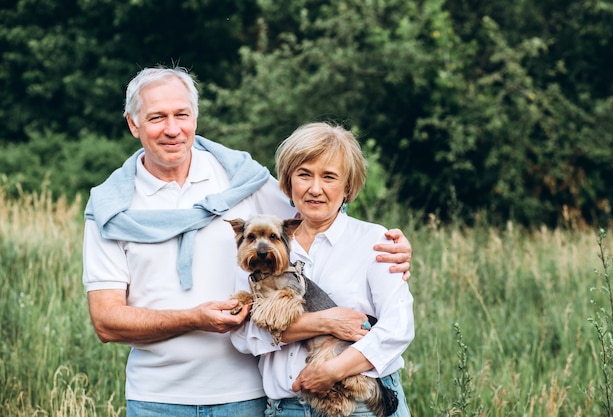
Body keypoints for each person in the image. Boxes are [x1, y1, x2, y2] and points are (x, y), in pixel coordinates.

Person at [82, 66, 413, 417]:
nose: (172, 128)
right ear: (133, 124)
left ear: (195, 116)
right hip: (156, 395)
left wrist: (390, 245)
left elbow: (314, 206)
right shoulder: (111, 209)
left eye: (182, 114)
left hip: (246, 396)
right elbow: (106, 321)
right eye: (156, 117)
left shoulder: (242, 181)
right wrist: (194, 318)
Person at [231, 122, 414, 417]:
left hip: (360, 407)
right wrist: (326, 322)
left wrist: (331, 371)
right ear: (288, 182)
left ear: (348, 187)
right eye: (304, 175)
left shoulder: (374, 241)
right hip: (286, 408)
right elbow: (242, 336)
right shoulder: (261, 247)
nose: (315, 189)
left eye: (329, 177)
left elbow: (399, 326)